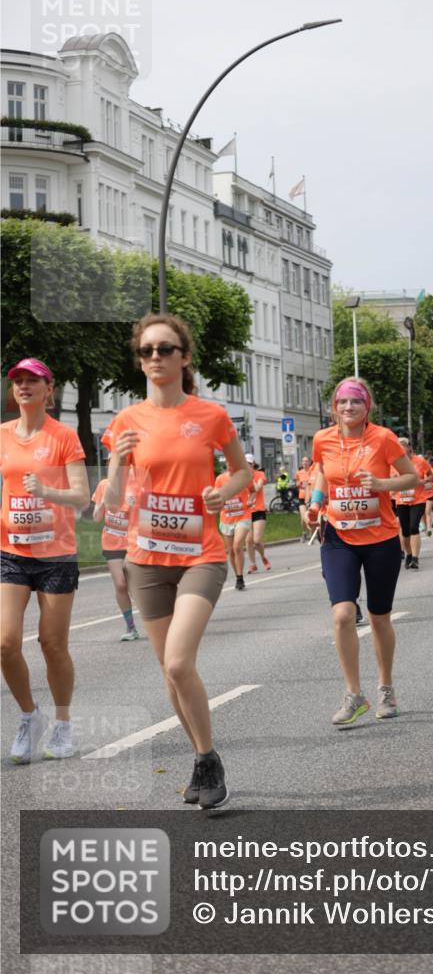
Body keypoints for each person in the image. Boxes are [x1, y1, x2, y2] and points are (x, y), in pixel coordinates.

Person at [103, 313, 252, 810]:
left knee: (178, 661)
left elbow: (241, 472)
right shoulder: (125, 423)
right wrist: (120, 461)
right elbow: (117, 502)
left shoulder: (209, 415)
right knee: (170, 674)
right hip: (145, 559)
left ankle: (208, 757)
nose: (155, 358)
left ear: (184, 357)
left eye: (165, 349)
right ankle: (200, 756)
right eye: (146, 351)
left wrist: (221, 492)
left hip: (201, 556)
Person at [307, 377, 418, 725]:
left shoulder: (383, 438)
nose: (348, 408)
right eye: (342, 402)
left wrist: (384, 484)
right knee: (342, 615)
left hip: (381, 538)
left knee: (379, 616)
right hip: (338, 535)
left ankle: (385, 687)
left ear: (366, 406)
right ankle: (354, 694)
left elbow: (411, 477)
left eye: (355, 402)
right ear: (334, 407)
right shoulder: (322, 439)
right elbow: (322, 472)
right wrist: (314, 502)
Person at [1, 358, 89, 763]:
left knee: (53, 645)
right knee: (4, 643)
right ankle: (28, 716)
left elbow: (82, 497)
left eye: (31, 381)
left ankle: (63, 724)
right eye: (17, 380)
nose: (23, 386)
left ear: (48, 389)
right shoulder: (2, 436)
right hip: (12, 551)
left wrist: (47, 493)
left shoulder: (63, 437)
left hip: (56, 555)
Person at [91, 471, 140, 641]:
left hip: (134, 542)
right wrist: (103, 501)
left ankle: (159, 619)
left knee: (136, 588)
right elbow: (97, 518)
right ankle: (131, 627)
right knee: (120, 585)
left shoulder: (137, 484)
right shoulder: (104, 485)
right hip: (112, 543)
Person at [395, 438, 433, 570]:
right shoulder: (394, 462)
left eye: (403, 446)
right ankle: (409, 554)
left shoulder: (420, 461)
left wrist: (421, 481)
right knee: (405, 531)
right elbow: (390, 478)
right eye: (397, 446)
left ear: (409, 447)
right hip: (402, 500)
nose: (400, 448)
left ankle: (415, 558)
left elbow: (430, 476)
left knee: (413, 527)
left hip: (418, 499)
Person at [215, 466, 255, 591]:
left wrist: (250, 500)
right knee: (230, 551)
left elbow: (253, 490)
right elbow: (217, 496)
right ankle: (238, 575)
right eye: (228, 462)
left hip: (243, 516)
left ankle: (240, 578)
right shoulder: (220, 479)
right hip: (226, 518)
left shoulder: (244, 476)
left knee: (237, 546)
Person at [246, 456, 271, 573]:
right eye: (245, 463)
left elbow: (257, 488)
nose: (247, 466)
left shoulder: (260, 474)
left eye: (249, 464)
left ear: (253, 464)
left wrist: (251, 479)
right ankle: (252, 564)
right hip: (245, 512)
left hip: (259, 510)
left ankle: (263, 557)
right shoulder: (240, 476)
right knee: (248, 541)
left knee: (256, 540)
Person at [296, 456, 311, 541]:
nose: (304, 463)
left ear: (309, 462)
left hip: (310, 497)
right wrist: (300, 484)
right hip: (302, 497)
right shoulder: (299, 473)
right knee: (303, 517)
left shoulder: (312, 472)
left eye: (306, 461)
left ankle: (311, 534)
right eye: (303, 461)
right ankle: (304, 532)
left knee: (310, 517)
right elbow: (297, 483)